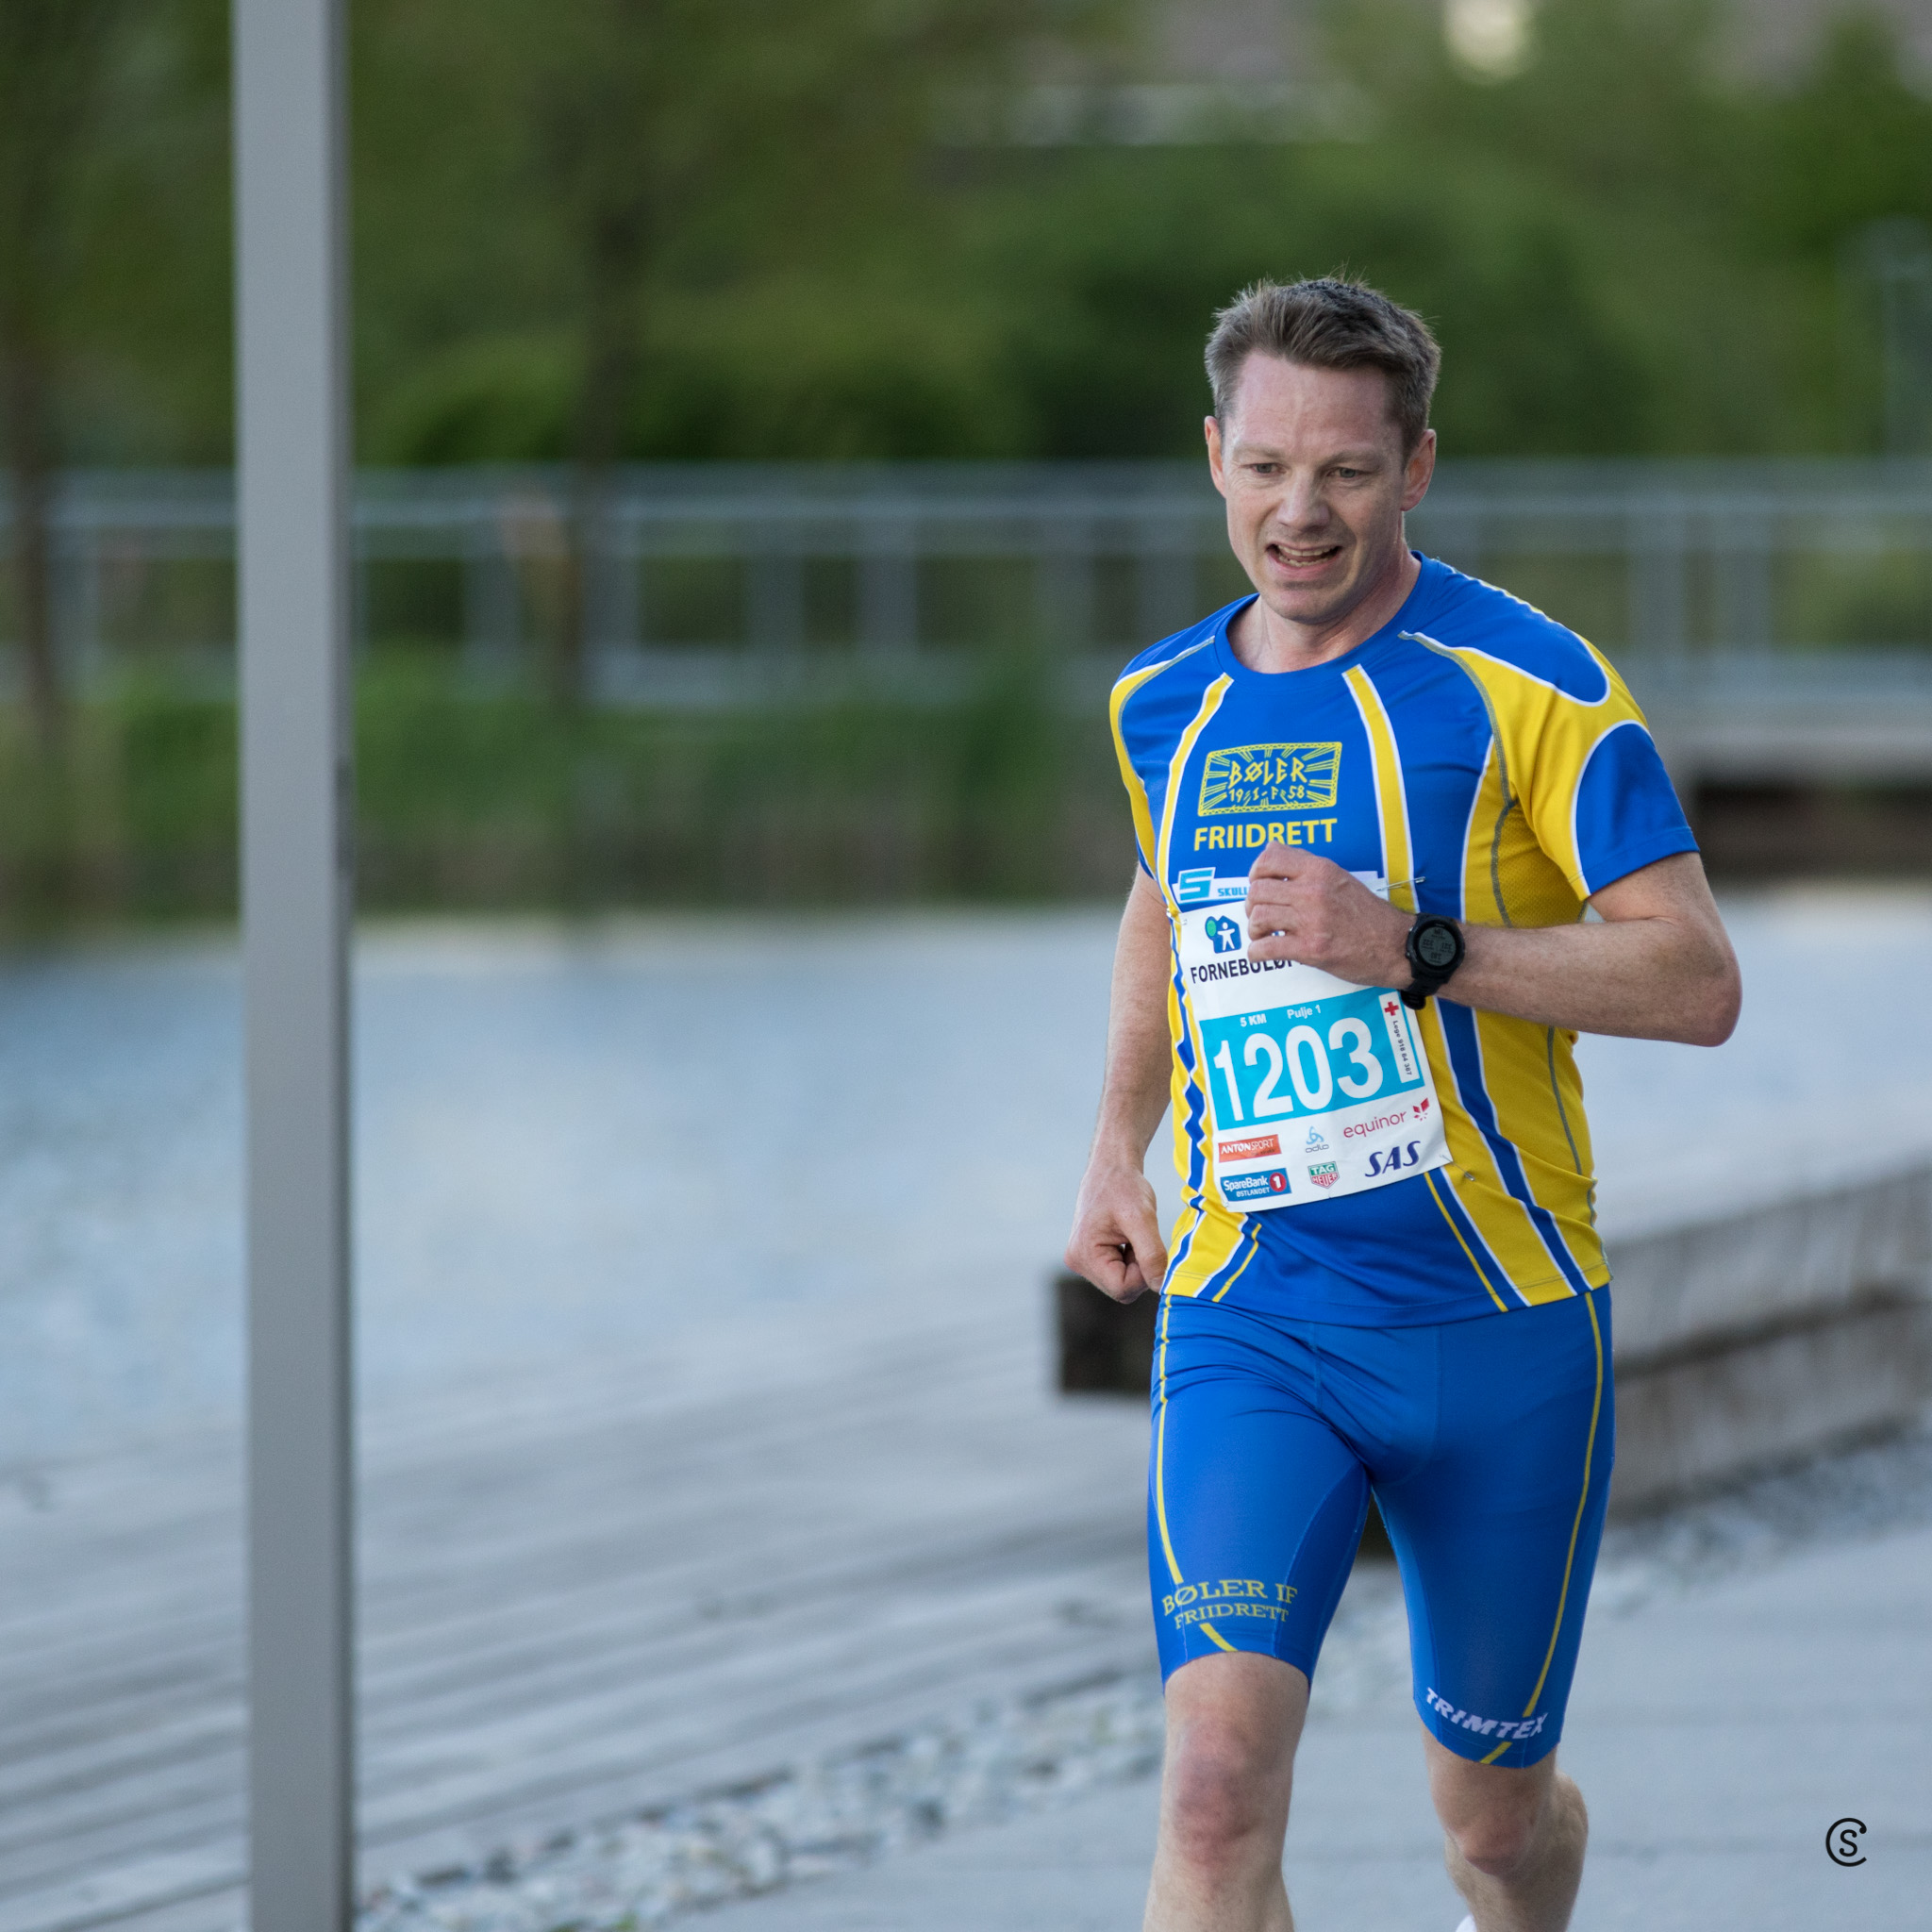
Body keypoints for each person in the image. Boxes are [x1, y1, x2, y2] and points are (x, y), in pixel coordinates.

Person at [1064, 277, 1740, 1932]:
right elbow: (1161, 905)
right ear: (1214, 457)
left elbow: (1697, 982)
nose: (1299, 513)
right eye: (1266, 468)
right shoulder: (1163, 703)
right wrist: (1116, 1145)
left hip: (1499, 1328)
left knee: (1495, 1828)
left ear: (1417, 467)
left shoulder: (1533, 683)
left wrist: (1416, 950)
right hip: (1254, 1316)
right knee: (1212, 1788)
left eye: (1347, 472)